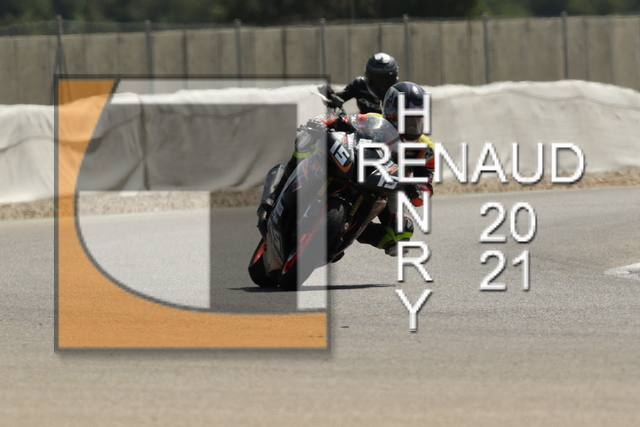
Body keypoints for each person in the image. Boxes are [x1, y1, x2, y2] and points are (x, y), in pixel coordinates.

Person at [258, 81, 435, 257]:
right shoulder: (375, 121)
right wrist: (322, 122)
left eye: (419, 119)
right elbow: (343, 120)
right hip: (359, 169)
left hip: (391, 188)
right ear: (392, 112)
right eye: (409, 118)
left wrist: (415, 187)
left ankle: (344, 237)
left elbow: (425, 189)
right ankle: (272, 200)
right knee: (305, 145)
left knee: (403, 231)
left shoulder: (426, 149)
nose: (415, 124)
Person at [325, 52, 399, 114]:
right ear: (368, 77)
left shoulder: (399, 92)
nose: (382, 84)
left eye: (386, 79)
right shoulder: (359, 85)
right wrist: (331, 95)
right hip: (362, 125)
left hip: (391, 126)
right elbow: (341, 97)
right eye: (378, 79)